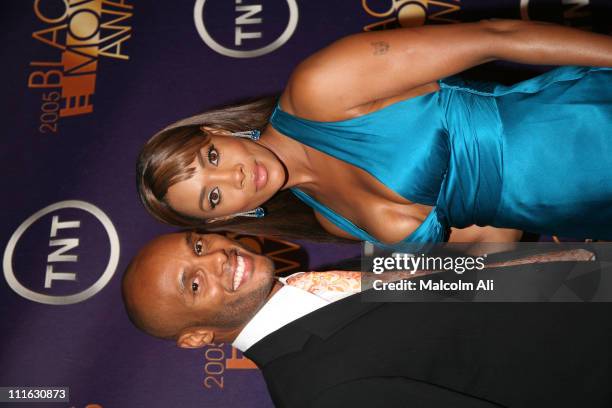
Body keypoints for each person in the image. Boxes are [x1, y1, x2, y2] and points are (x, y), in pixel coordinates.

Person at [137, 20, 612, 245]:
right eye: (213, 198)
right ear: (223, 220)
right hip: (587, 213)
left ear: (218, 131)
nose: (234, 180)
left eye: (213, 159)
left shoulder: (319, 88)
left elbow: (496, 36)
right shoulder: (332, 222)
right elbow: (494, 240)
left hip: (587, 124)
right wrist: (412, 284)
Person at [122, 232, 611, 407]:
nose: (217, 260)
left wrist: (587, 261)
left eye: (199, 246)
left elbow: (476, 276)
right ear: (199, 337)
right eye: (194, 283)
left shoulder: (318, 280)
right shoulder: (317, 393)